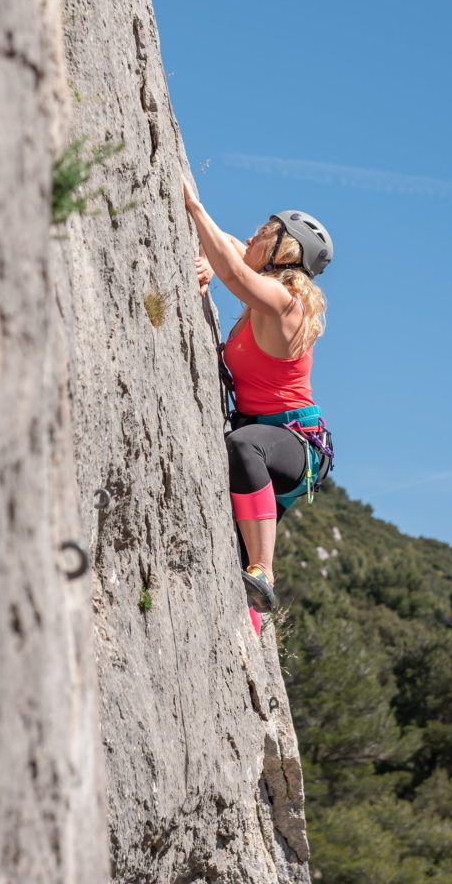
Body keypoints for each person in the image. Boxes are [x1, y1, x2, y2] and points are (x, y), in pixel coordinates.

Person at [182, 175, 334, 615]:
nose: (249, 237)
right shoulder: (262, 297)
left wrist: (194, 206)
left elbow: (233, 268)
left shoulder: (289, 305)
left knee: (243, 446)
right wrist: (213, 260)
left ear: (281, 252)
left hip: (293, 443)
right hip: (264, 444)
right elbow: (229, 248)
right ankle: (251, 621)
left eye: (261, 236)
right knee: (232, 550)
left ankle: (265, 570)